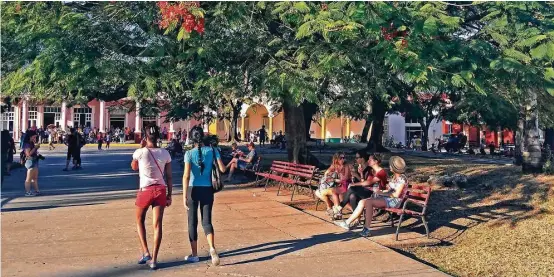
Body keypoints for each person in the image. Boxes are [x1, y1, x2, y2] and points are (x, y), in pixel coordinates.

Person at [182, 126, 226, 266]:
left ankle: (194, 254)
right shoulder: (213, 151)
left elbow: (186, 176)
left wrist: (184, 196)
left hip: (192, 190)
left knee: (192, 222)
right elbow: (222, 169)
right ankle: (212, 248)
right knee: (207, 221)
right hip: (207, 189)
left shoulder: (189, 154)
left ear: (192, 138)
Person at [131, 125, 172, 270]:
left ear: (145, 136)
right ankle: (154, 260)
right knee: (157, 225)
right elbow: (169, 176)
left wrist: (141, 147)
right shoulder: (165, 153)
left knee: (139, 220)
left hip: (145, 191)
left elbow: (134, 167)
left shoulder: (140, 152)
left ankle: (146, 251)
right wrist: (169, 195)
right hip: (161, 190)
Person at [336, 156, 408, 237]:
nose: (390, 166)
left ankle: (365, 229)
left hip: (394, 201)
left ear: (396, 168)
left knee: (369, 202)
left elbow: (396, 195)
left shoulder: (402, 179)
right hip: (387, 198)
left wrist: (381, 193)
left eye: (391, 165)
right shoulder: (394, 177)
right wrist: (382, 192)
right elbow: (389, 190)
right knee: (362, 201)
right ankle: (347, 223)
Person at [315, 152, 353, 220]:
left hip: (346, 185)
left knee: (342, 199)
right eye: (341, 158)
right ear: (336, 159)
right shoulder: (335, 165)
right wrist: (327, 176)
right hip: (340, 186)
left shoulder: (347, 166)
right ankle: (337, 212)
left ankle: (354, 212)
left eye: (344, 158)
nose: (343, 159)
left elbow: (344, 180)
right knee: (334, 193)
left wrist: (334, 180)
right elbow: (327, 172)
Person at [22, 130, 41, 196]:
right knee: (28, 178)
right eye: (33, 137)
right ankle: (28, 192)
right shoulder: (27, 144)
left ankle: (37, 190)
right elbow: (28, 154)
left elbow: (34, 151)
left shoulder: (32, 143)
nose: (34, 139)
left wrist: (36, 148)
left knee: (35, 178)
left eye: (35, 137)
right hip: (30, 161)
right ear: (30, 136)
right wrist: (35, 148)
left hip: (35, 160)